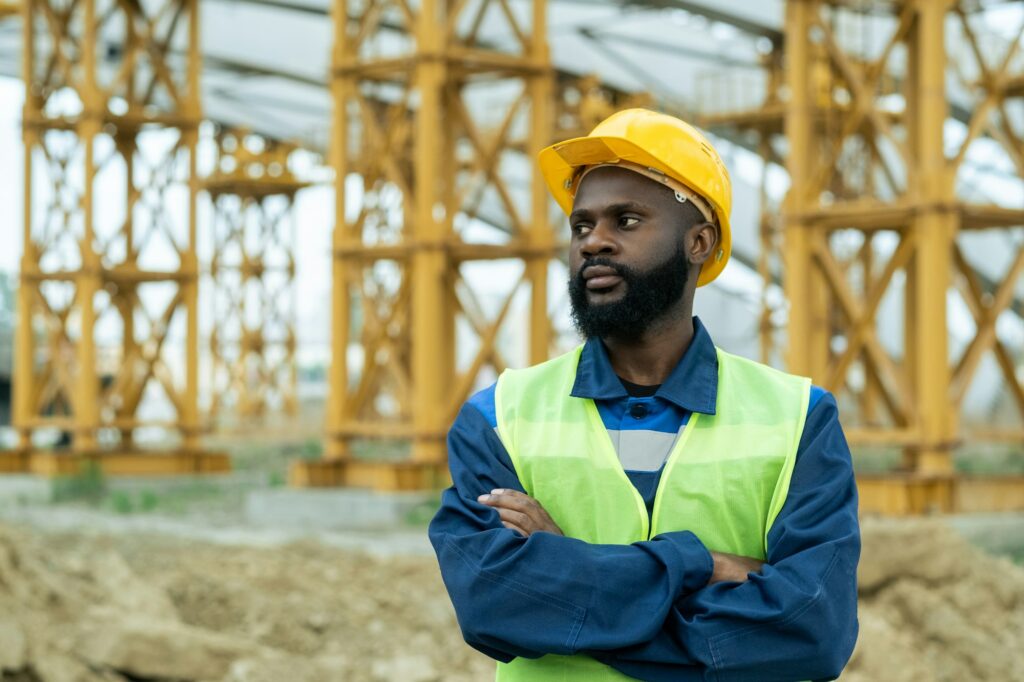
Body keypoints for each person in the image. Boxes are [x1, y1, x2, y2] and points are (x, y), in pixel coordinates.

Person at [428, 109, 860, 681]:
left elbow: (814, 629)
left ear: (698, 242)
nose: (594, 242)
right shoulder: (500, 416)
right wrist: (699, 565)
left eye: (626, 221)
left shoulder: (799, 418)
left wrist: (568, 577)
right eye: (581, 226)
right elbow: (495, 604)